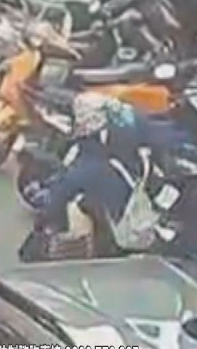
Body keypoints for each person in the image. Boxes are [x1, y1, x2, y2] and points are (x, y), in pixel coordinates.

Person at [34, 92, 142, 249]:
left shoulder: (86, 163)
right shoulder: (124, 141)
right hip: (134, 213)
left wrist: (45, 219)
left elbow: (59, 197)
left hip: (120, 233)